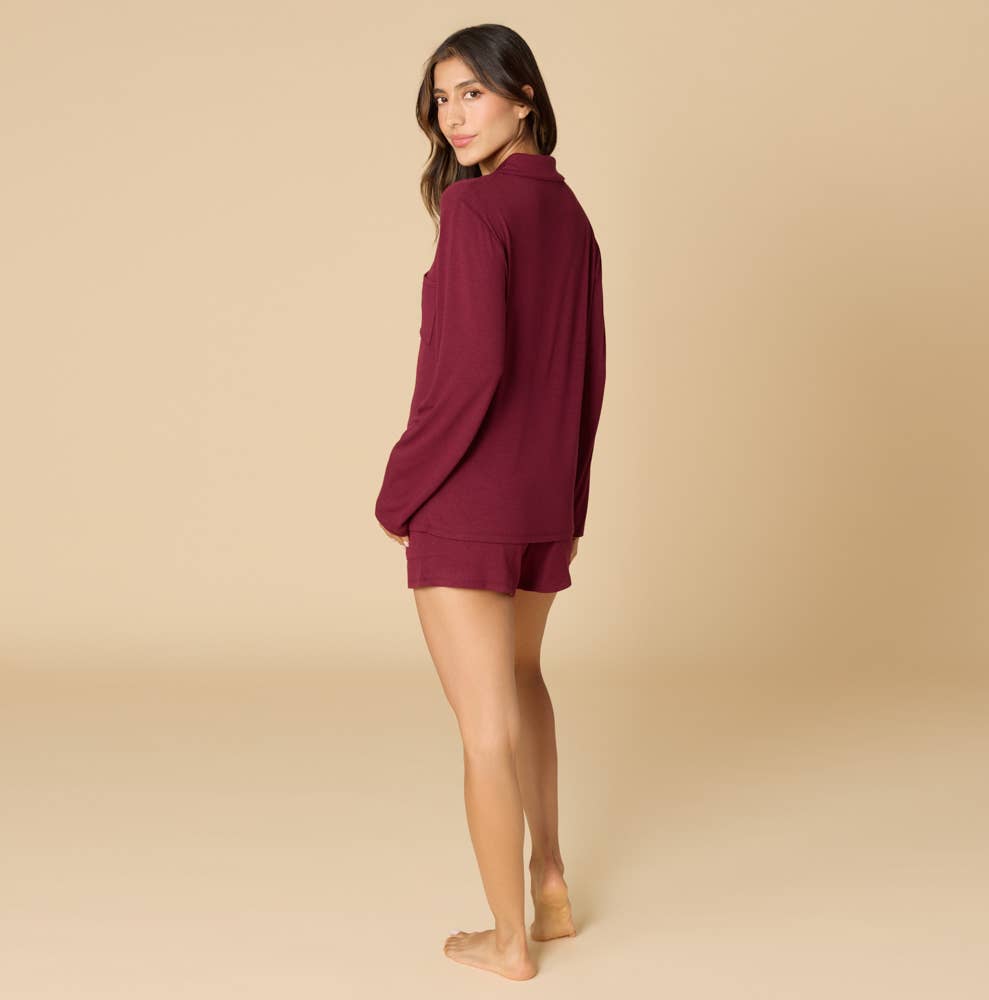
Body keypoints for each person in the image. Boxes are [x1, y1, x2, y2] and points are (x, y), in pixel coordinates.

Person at [373, 23, 607, 982]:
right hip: (542, 499)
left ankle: (508, 943)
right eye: (442, 98)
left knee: (484, 729)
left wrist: (399, 494)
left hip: (468, 501)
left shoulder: (476, 211)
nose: (454, 116)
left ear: (523, 96)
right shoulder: (570, 214)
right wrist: (569, 504)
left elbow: (469, 373)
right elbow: (588, 376)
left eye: (473, 92)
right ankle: (549, 883)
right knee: (523, 681)